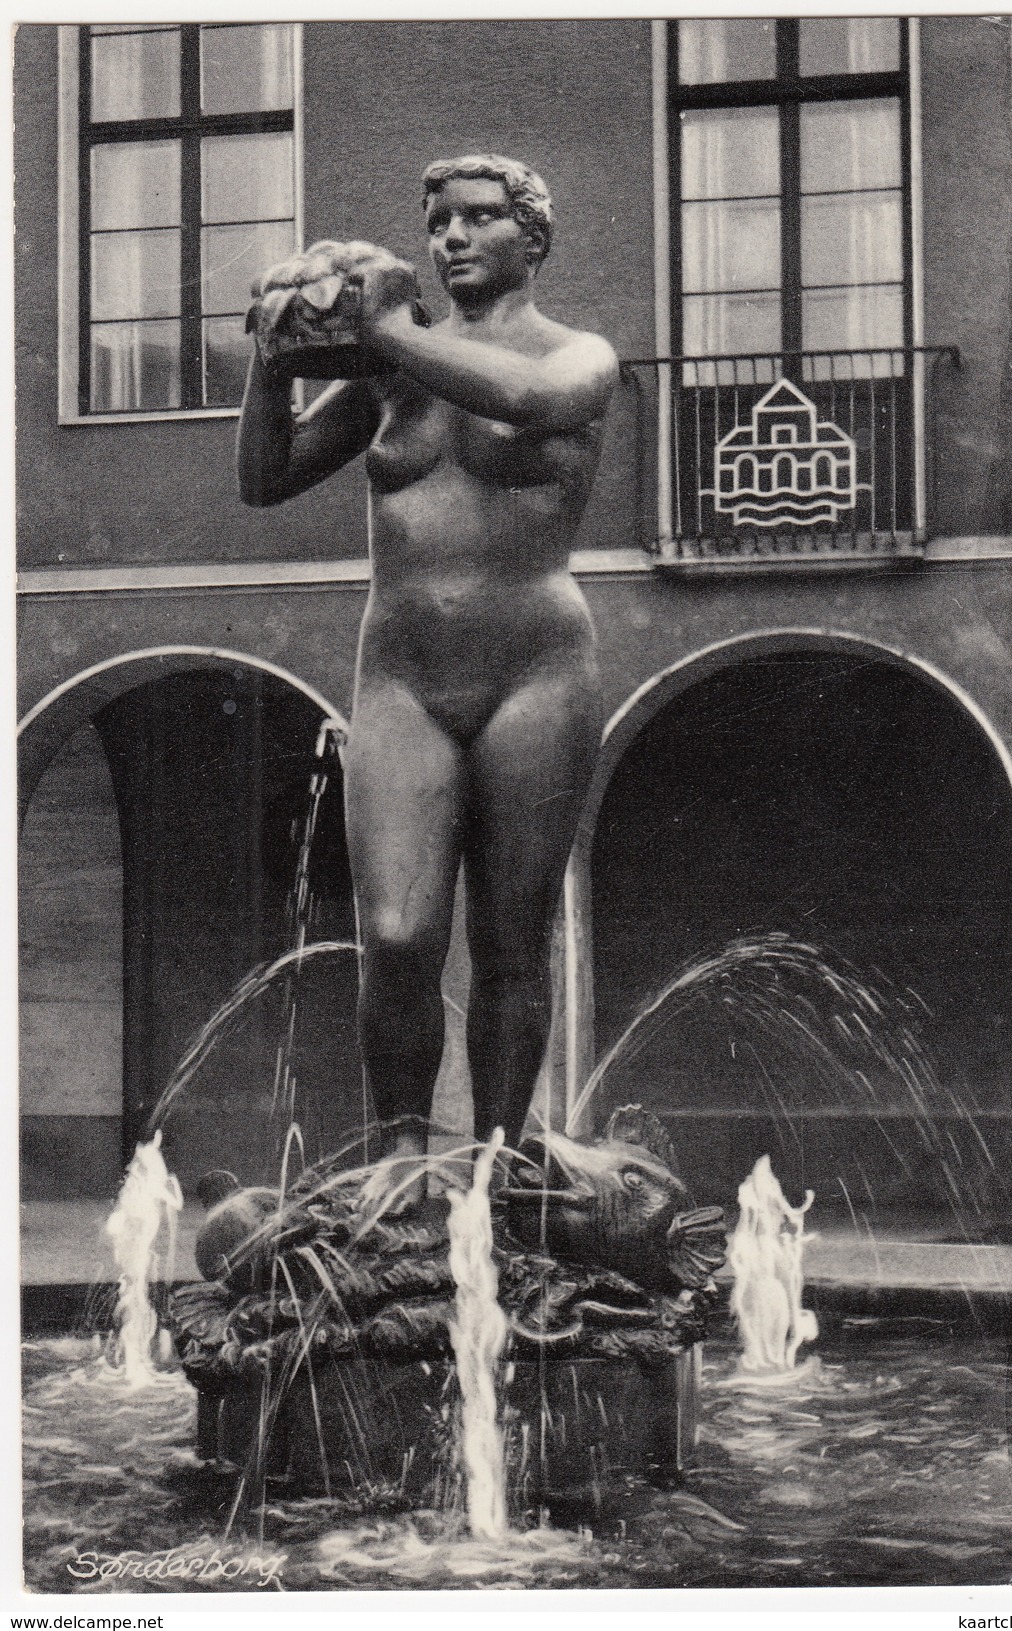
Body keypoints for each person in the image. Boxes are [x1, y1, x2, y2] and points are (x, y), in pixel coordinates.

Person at [238, 154, 617, 1205]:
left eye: (478, 219)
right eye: (438, 220)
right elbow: (265, 481)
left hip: (535, 670)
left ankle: (495, 1160)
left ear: (528, 239)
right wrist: (272, 363)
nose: (450, 237)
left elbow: (527, 397)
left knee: (508, 936)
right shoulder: (387, 379)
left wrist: (389, 334)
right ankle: (401, 1151)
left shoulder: (576, 356)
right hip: (401, 676)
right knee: (398, 934)